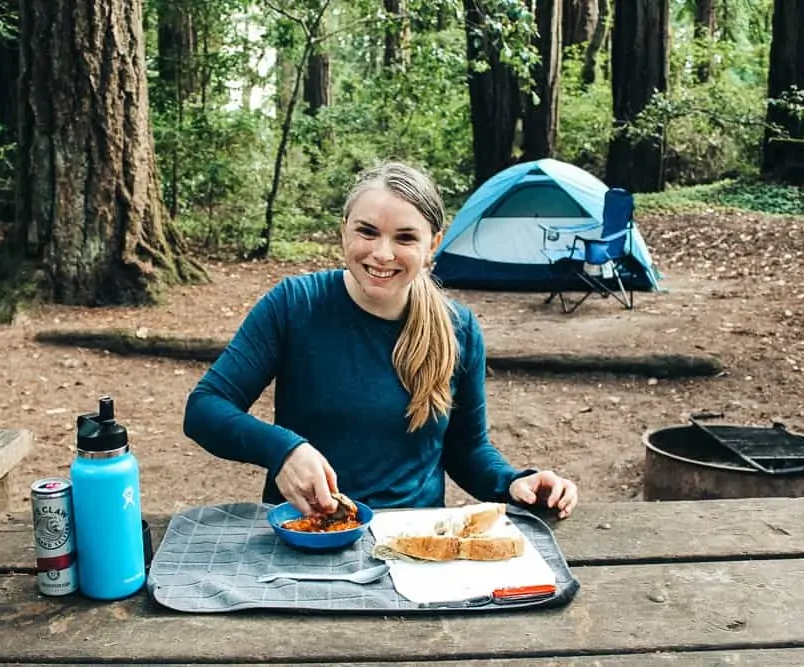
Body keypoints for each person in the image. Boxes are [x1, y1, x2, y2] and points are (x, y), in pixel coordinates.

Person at [183, 161, 578, 519]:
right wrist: (281, 449)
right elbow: (205, 409)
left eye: (405, 238)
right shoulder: (294, 304)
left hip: (412, 543)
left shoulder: (458, 328)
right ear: (344, 230)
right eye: (367, 232)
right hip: (306, 533)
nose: (382, 254)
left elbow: (466, 448)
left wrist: (512, 482)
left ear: (432, 245)